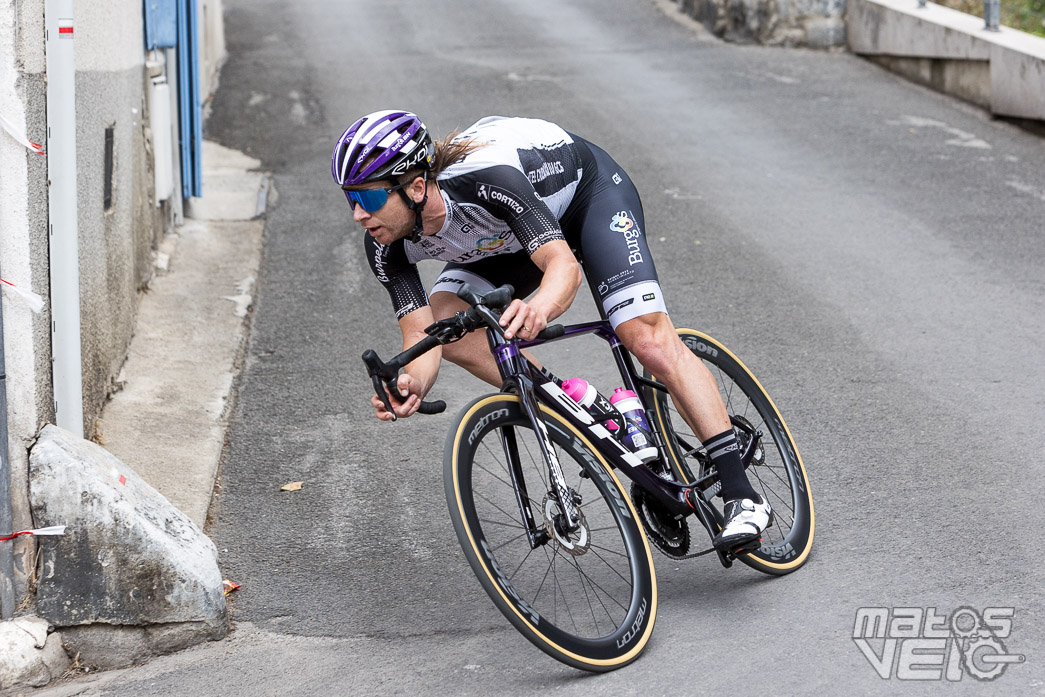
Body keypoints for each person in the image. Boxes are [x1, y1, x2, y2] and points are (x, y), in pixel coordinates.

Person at [332, 110, 771, 551]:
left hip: (586, 198)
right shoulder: (386, 246)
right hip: (502, 240)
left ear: (416, 187)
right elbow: (420, 336)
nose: (357, 215)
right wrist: (412, 384)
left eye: (367, 199)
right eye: (350, 199)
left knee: (647, 340)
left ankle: (742, 496)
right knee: (454, 331)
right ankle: (579, 403)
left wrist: (541, 305)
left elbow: (562, 266)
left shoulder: (488, 180)